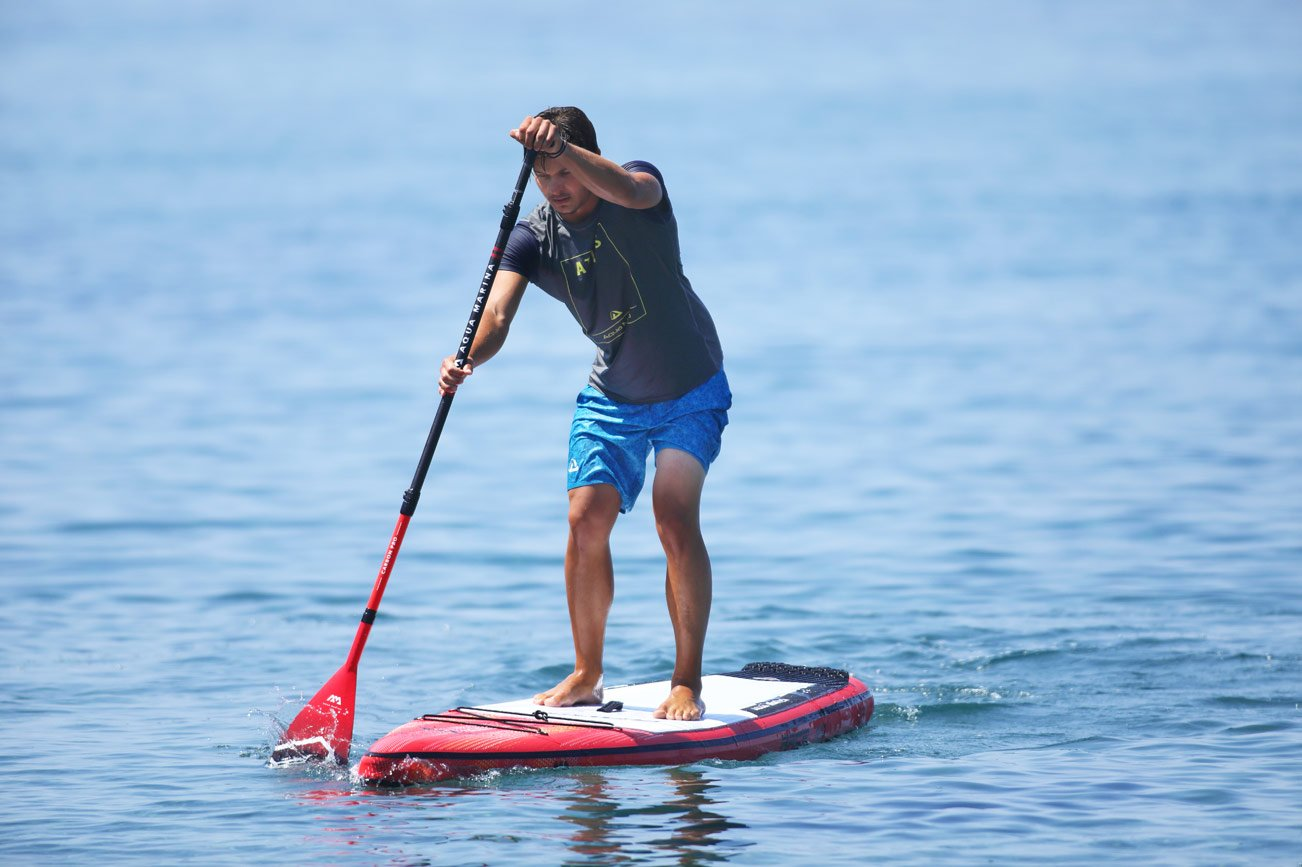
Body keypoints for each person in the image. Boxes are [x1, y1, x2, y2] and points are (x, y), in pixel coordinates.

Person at [438, 107, 729, 721]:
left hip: (691, 386)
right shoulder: (531, 236)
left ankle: (686, 681)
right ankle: (586, 674)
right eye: (543, 175)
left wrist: (567, 148)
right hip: (613, 394)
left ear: (589, 158)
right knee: (584, 518)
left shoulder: (637, 188)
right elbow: (494, 320)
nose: (556, 187)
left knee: (673, 519)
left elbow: (626, 187)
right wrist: (468, 359)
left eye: (565, 170)